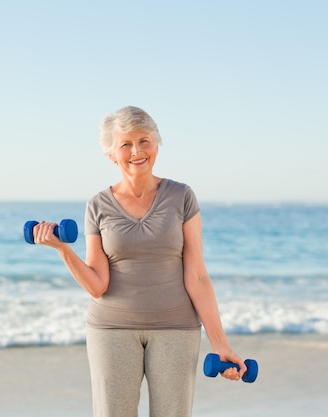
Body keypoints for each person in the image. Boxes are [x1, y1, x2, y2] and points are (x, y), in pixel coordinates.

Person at [32, 106, 246, 417]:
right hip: (112, 328)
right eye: (126, 144)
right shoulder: (98, 205)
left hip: (176, 327)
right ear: (111, 155)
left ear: (157, 144)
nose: (137, 151)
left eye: (144, 140)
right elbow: (97, 285)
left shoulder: (182, 196)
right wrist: (63, 249)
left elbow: (197, 276)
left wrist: (220, 344)